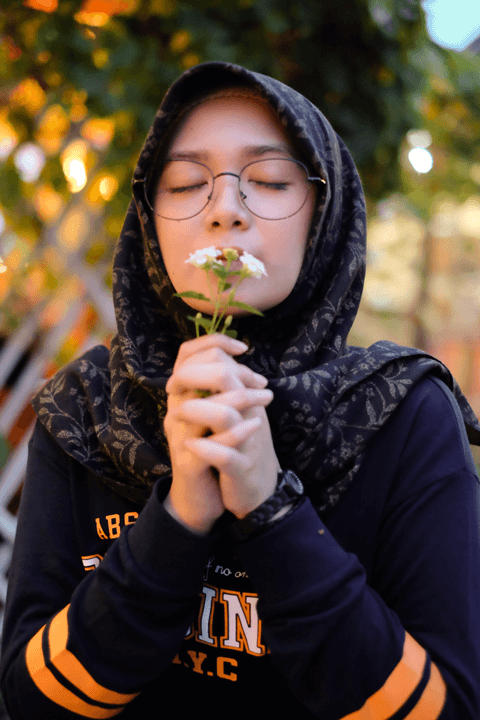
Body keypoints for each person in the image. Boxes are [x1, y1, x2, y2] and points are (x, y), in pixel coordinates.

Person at [1, 61, 480, 719]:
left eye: (271, 181)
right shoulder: (84, 410)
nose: (225, 209)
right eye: (187, 182)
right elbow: (30, 702)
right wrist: (175, 521)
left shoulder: (402, 416)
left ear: (325, 214)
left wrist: (271, 507)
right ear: (148, 217)